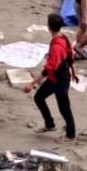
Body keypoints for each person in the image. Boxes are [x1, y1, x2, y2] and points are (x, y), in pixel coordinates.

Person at [23, 13, 76, 144]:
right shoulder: (64, 38)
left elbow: (49, 69)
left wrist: (32, 83)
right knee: (39, 97)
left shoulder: (57, 46)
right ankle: (50, 124)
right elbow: (70, 56)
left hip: (59, 80)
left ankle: (71, 135)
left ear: (49, 26)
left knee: (64, 108)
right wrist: (74, 72)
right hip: (57, 78)